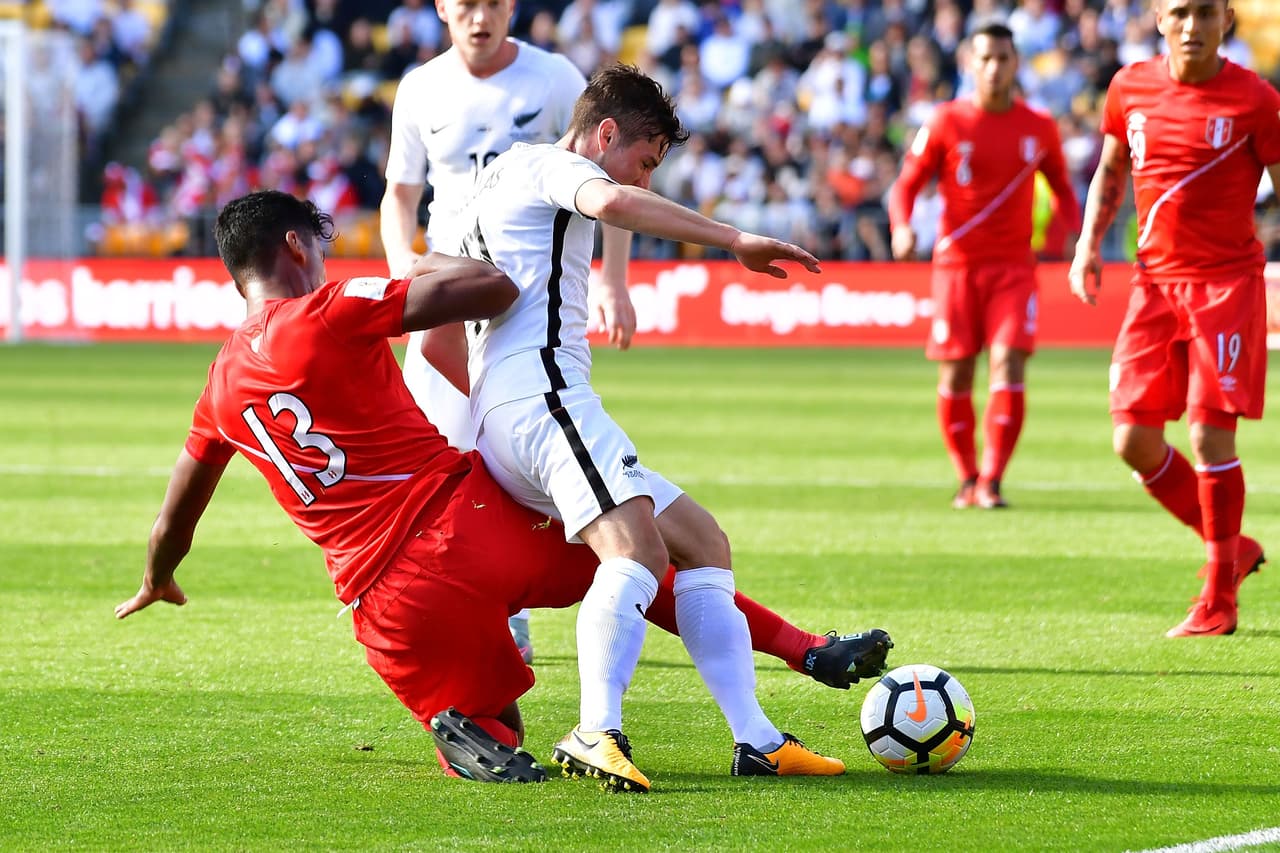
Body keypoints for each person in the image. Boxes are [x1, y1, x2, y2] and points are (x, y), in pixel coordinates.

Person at [115, 191, 894, 786]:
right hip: (462, 523)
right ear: (294, 245)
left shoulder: (217, 385)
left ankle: (457, 729)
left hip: (381, 605)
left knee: (502, 727)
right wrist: (428, 264)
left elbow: (177, 510)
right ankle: (803, 651)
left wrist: (158, 574)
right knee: (639, 559)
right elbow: (490, 290)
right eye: (317, 246)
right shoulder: (326, 308)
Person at [435, 64, 871, 793]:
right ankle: (593, 728)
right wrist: (734, 237)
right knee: (634, 553)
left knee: (702, 540)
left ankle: (756, 739)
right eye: (644, 159)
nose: (642, 177)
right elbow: (610, 200)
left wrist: (487, 410)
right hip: (544, 398)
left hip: (515, 406)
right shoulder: (557, 166)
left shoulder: (494, 177)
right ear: (605, 133)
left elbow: (438, 331)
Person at [379, 0, 638, 662]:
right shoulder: (421, 87)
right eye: (465, 3)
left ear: (512, 7)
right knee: (442, 463)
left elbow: (606, 176)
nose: (479, 16)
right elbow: (401, 194)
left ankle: (511, 604)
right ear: (442, 8)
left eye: (493, 2)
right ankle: (447, 602)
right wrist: (401, 271)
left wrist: (612, 280)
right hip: (445, 294)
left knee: (510, 460)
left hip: (524, 299)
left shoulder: (554, 77)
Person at [1068, 0, 1279, 637]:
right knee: (1132, 438)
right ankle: (1233, 548)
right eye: (1181, 12)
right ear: (1159, 17)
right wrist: (1086, 246)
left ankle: (1219, 597)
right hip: (1153, 285)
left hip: (1226, 288)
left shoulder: (1255, 98)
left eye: (1206, 13)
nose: (1193, 26)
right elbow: (1110, 170)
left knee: (1211, 438)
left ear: (1226, 22)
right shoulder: (1129, 86)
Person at [888, 23, 1080, 510]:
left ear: (1017, 64)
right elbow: (906, 185)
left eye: (1004, 58)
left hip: (1014, 268)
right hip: (956, 268)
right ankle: (967, 476)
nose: (995, 67)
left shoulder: (1038, 127)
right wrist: (901, 227)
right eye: (986, 58)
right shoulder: (946, 120)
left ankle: (992, 480)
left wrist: (1077, 238)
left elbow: (1063, 189)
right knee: (955, 375)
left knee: (1007, 361)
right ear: (970, 64)